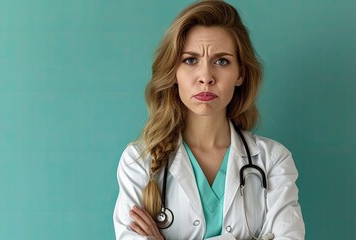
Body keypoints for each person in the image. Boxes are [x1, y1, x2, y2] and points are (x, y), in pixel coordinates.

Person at [112, 1, 305, 239]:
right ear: (174, 72)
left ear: (240, 74)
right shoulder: (138, 162)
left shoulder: (273, 161)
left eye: (221, 61)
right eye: (190, 60)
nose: (205, 77)